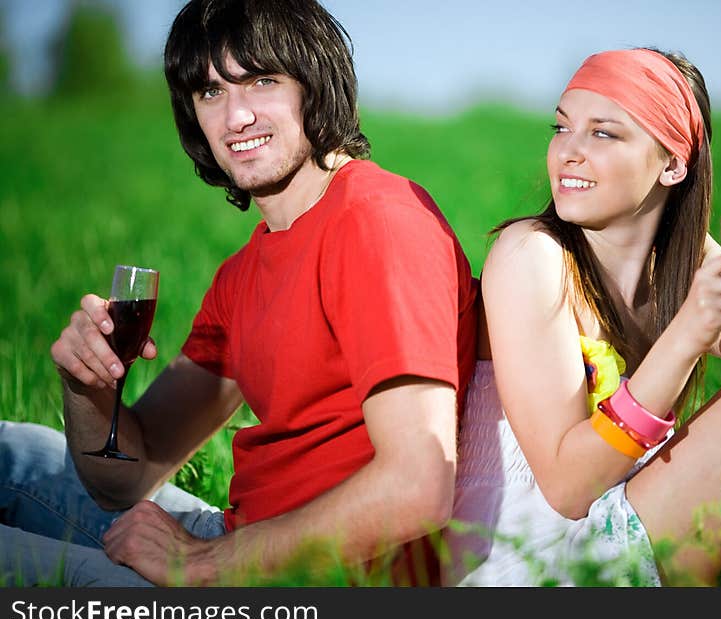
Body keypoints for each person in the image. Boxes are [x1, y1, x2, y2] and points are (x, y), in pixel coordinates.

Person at [0, 0, 477, 587]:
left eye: (261, 81)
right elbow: (124, 478)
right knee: (11, 452)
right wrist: (86, 389)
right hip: (240, 546)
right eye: (210, 93)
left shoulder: (376, 222)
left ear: (316, 83)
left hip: (312, 582)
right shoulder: (244, 272)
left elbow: (417, 487)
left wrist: (204, 563)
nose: (236, 117)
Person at [441, 47, 721, 587]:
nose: (569, 152)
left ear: (673, 164)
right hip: (544, 563)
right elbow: (565, 487)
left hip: (621, 535)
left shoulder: (676, 263)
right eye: (562, 127)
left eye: (603, 133)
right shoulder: (530, 253)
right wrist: (689, 333)